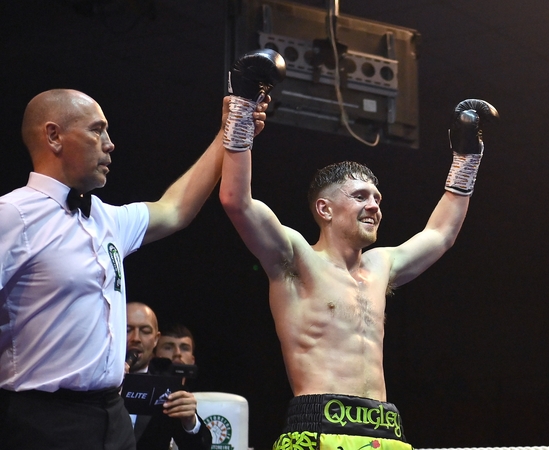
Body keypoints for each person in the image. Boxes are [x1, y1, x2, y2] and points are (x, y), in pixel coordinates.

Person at [219, 99, 498, 450]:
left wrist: (467, 158)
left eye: (378, 199)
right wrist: (243, 110)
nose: (374, 206)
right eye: (361, 196)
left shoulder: (382, 265)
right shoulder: (297, 259)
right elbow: (236, 202)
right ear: (325, 209)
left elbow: (441, 235)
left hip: (385, 432)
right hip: (319, 427)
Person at [0, 88, 268, 450]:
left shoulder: (107, 218)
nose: (109, 144)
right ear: (53, 136)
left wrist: (231, 130)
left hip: (113, 416)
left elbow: (176, 209)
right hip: (42, 421)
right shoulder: (12, 215)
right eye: (97, 130)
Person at [126, 302, 211, 450]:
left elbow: (198, 447)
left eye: (145, 331)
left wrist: (190, 422)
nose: (136, 338)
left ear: (156, 339)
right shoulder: (91, 382)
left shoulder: (168, 387)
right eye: (128, 329)